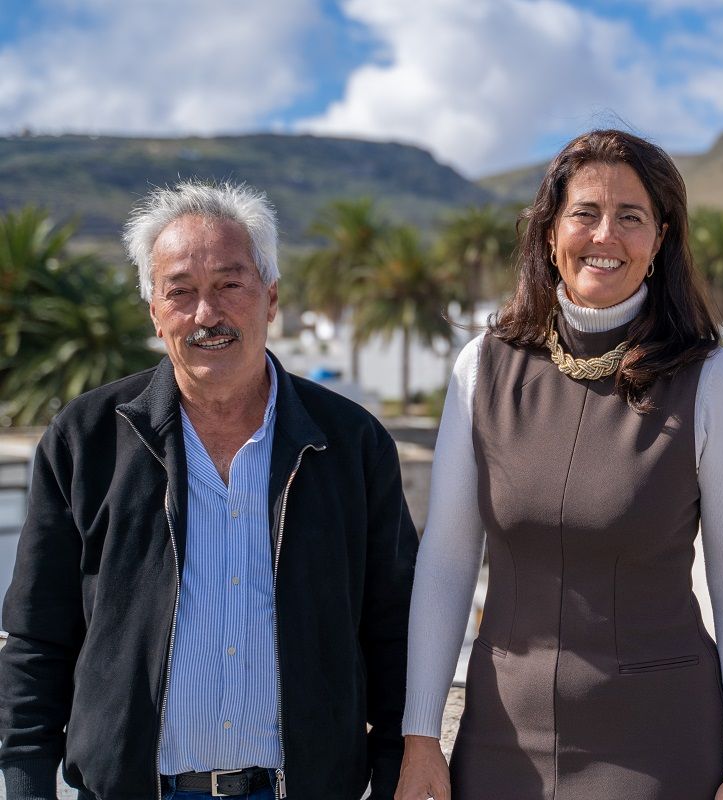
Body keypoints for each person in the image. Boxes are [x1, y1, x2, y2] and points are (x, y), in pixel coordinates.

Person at [0, 180, 419, 800]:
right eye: (181, 292)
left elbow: (394, 631)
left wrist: (391, 774)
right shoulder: (85, 440)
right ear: (153, 310)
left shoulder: (350, 445)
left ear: (270, 297)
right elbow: (37, 638)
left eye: (230, 284)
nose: (207, 314)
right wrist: (25, 785)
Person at [396, 129, 723, 800]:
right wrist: (420, 733)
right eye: (586, 213)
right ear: (550, 232)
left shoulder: (711, 381)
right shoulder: (480, 367)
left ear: (660, 240)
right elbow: (449, 561)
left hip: (660, 745)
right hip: (500, 742)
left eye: (631, 217)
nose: (606, 234)